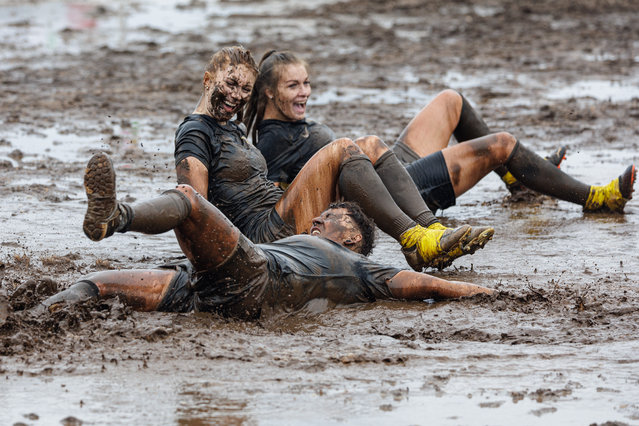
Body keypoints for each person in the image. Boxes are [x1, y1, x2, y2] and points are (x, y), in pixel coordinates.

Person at [87, 45, 494, 271]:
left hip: (277, 217)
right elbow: (192, 205)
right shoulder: (197, 131)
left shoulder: (230, 129)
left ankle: (427, 231)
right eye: (231, 83)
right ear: (208, 80)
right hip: (263, 237)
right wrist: (216, 261)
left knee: (368, 144)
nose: (237, 95)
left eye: (245, 89)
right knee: (345, 147)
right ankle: (416, 239)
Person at [42, 153, 493, 319]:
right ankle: (33, 319)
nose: (316, 221)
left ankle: (115, 218)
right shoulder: (308, 242)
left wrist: (482, 293)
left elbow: (421, 284)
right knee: (97, 284)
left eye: (330, 218)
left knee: (187, 199)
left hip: (255, 278)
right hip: (203, 288)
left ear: (353, 236)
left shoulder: (361, 267)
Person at [245, 50, 636, 214]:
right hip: (397, 193)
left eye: (307, 83)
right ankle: (598, 198)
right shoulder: (273, 142)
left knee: (451, 101)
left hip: (388, 165)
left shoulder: (288, 125)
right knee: (502, 144)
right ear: (268, 92)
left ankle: (519, 181)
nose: (305, 92)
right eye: (294, 86)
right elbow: (285, 204)